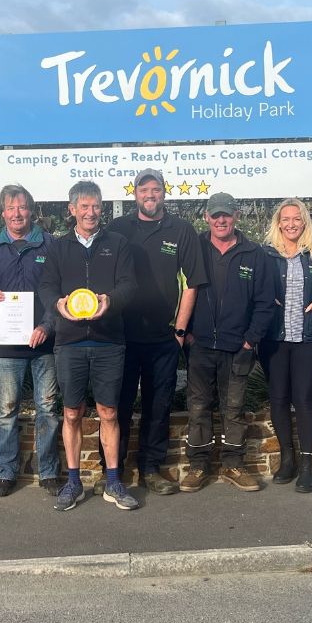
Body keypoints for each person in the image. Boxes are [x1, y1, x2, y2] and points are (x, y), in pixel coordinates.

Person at [105, 168, 207, 495]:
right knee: (117, 406)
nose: (150, 194)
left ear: (165, 193)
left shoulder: (181, 230)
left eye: (156, 189)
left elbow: (192, 283)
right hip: (120, 336)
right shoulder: (118, 228)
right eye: (144, 189)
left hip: (163, 338)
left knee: (157, 407)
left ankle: (151, 468)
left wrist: (180, 330)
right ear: (134, 194)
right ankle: (115, 471)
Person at [38, 180, 138, 512]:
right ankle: (74, 482)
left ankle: (113, 481)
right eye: (84, 206)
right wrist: (57, 304)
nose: (91, 212)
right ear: (72, 210)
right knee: (71, 412)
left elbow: (129, 286)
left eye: (96, 206)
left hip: (109, 340)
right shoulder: (57, 247)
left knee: (109, 412)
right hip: (69, 343)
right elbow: (47, 286)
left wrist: (112, 300)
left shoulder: (118, 244)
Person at [0, 184, 61, 497]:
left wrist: (47, 325)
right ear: (3, 212)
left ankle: (48, 472)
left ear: (31, 210)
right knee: (6, 410)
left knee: (47, 408)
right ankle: (6, 473)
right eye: (10, 208)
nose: (16, 213)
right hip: (7, 346)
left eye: (21, 207)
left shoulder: (50, 245)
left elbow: (61, 291)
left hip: (43, 342)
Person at [181, 193, 276, 493]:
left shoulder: (254, 253)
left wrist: (250, 342)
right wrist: (189, 335)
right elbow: (180, 288)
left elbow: (264, 303)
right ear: (206, 217)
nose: (221, 220)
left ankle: (234, 464)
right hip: (200, 346)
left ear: (236, 216)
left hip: (238, 348)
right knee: (198, 407)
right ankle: (198, 465)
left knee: (233, 409)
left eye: (226, 215)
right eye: (215, 215)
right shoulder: (195, 247)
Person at [258, 198, 312, 494]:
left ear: (305, 223)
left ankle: (306, 465)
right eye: (285, 219)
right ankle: (286, 458)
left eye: (296, 219)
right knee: (278, 399)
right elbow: (254, 288)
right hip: (274, 338)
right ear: (278, 223)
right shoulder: (265, 255)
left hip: (307, 338)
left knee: (303, 400)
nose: (291, 224)